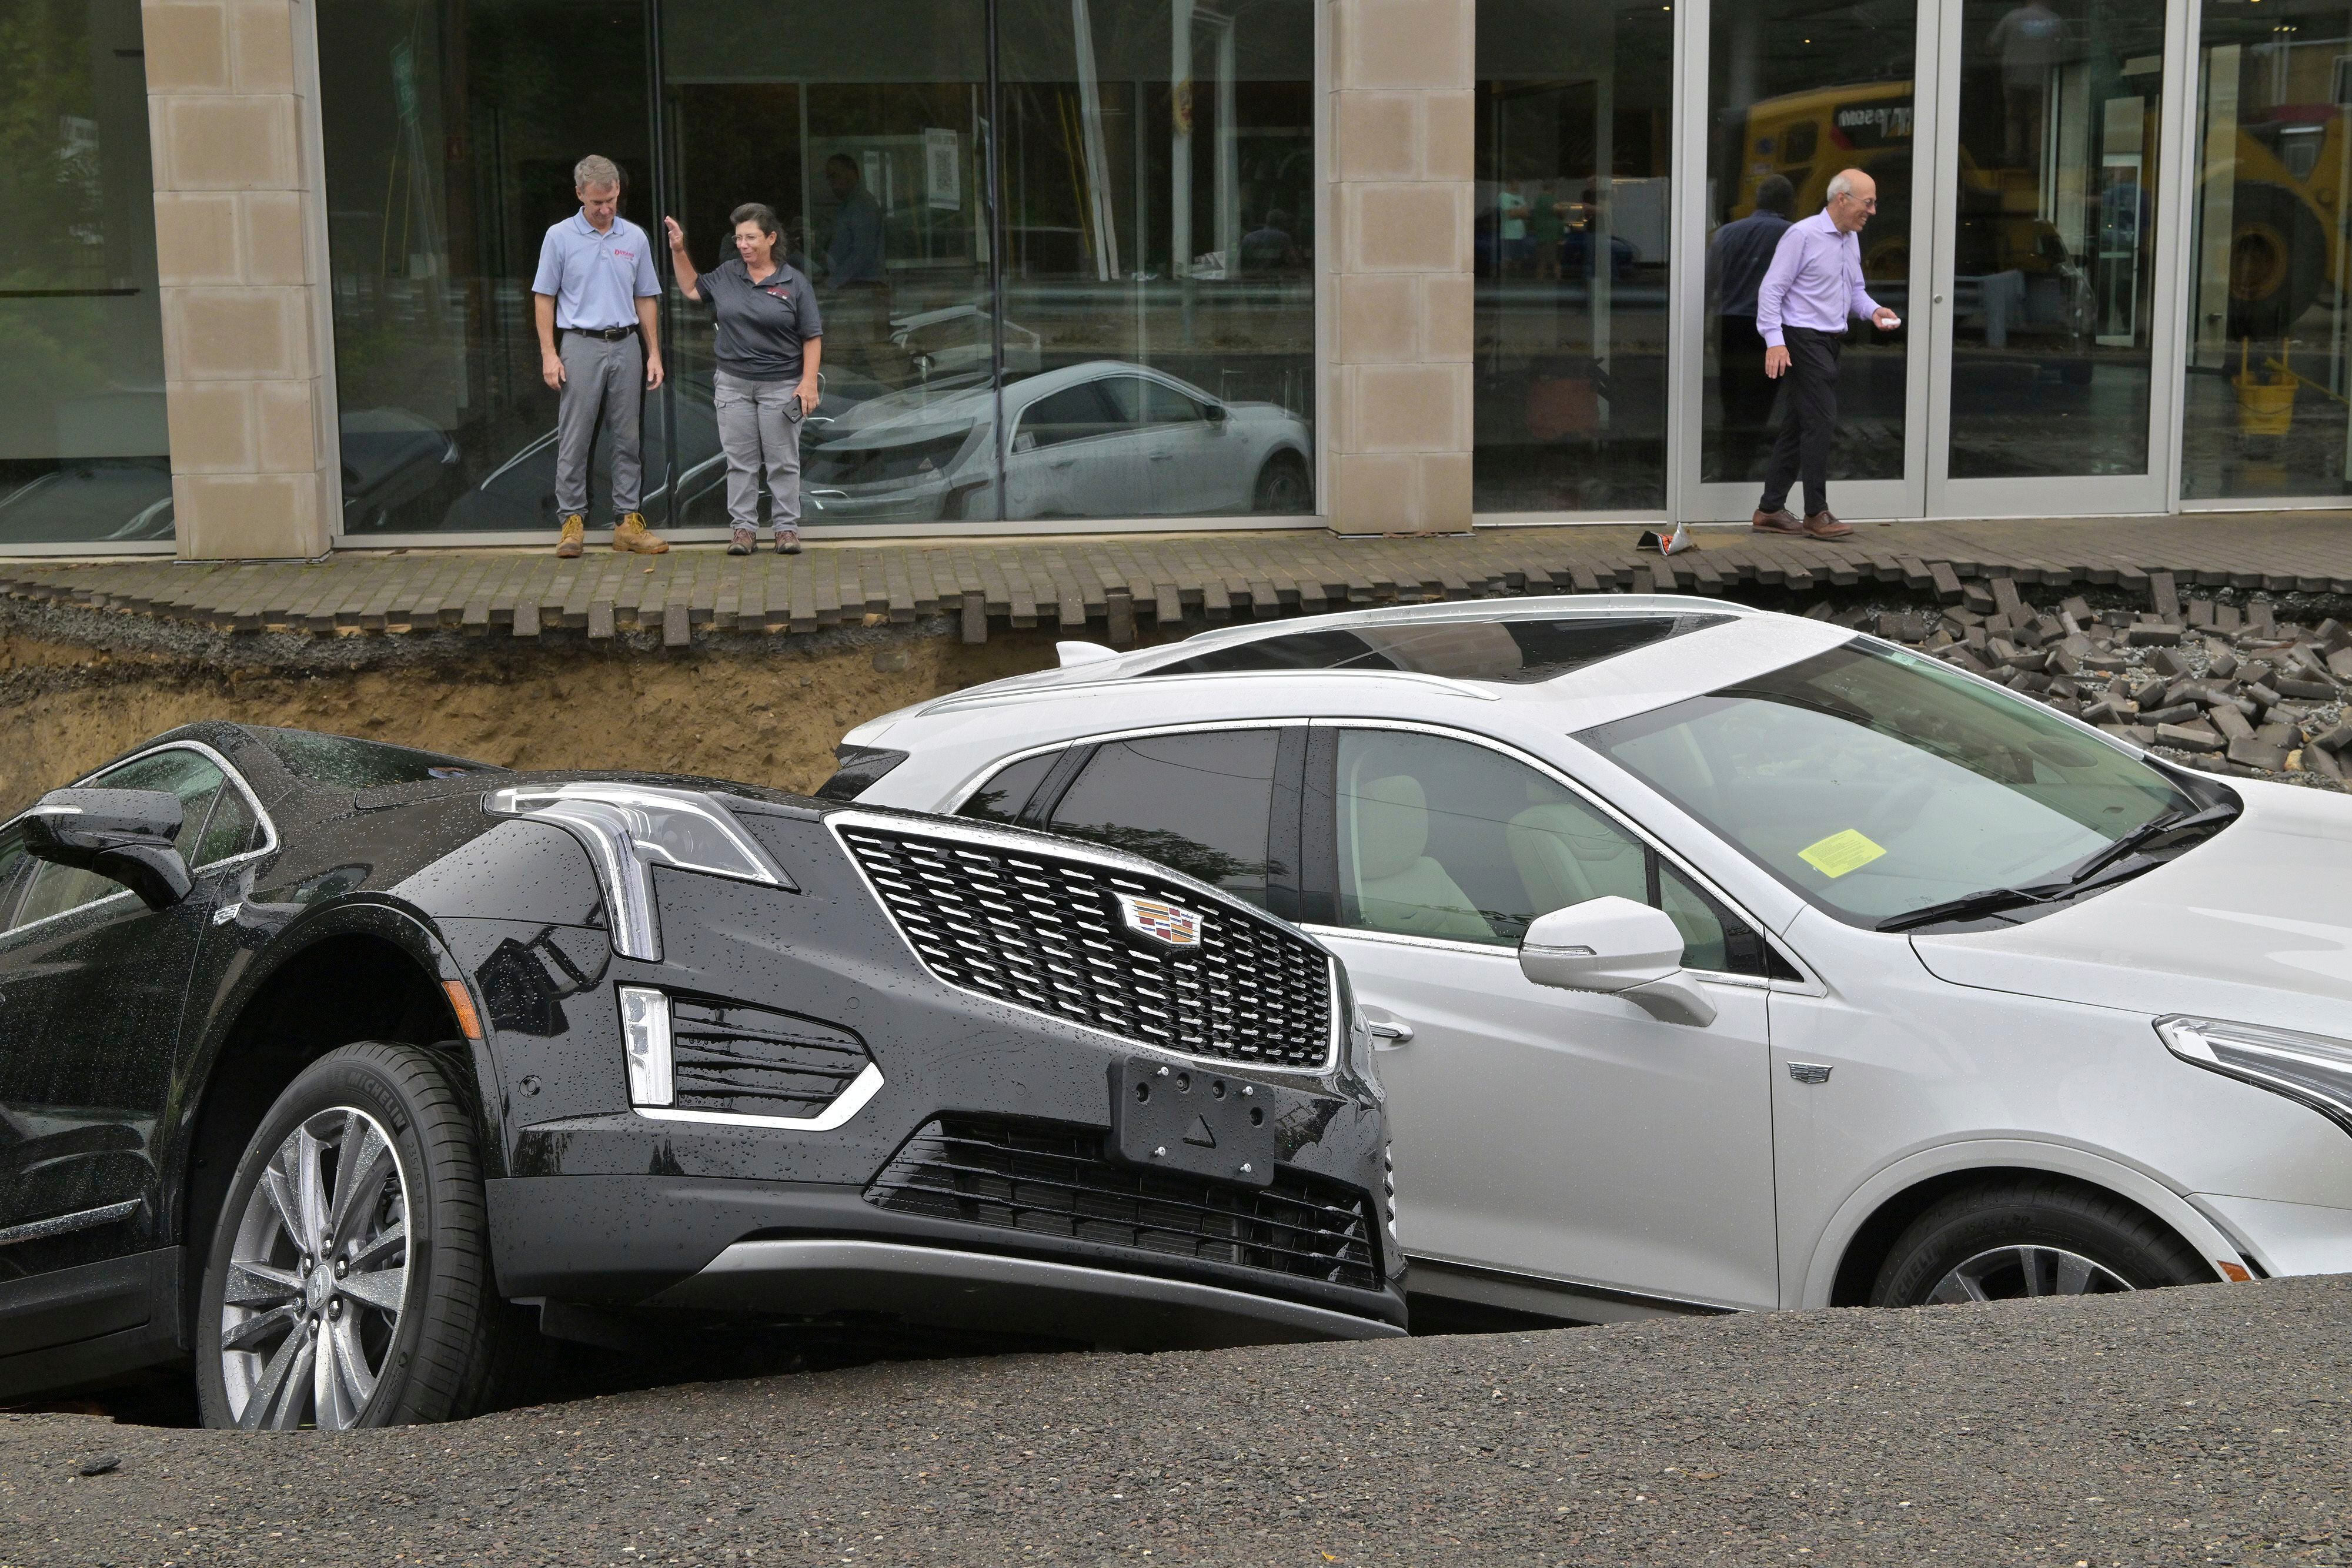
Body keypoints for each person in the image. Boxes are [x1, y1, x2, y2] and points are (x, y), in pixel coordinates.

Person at [664, 203, 824, 555]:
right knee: (741, 463)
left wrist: (808, 382)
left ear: (771, 238)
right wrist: (679, 249)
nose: (743, 245)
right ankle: (743, 531)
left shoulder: (793, 281)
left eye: (751, 237)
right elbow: (692, 289)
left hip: (781, 385)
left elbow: (812, 336)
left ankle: (786, 530)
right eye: (738, 238)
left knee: (783, 461)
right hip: (733, 384)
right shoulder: (727, 274)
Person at [532, 154, 668, 557]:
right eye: (597, 203)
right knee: (575, 434)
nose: (606, 210)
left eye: (611, 200)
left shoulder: (635, 237)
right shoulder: (559, 236)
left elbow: (646, 297)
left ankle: (627, 522)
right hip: (580, 342)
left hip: (626, 342)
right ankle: (572, 522)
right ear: (579, 195)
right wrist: (549, 354)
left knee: (628, 436)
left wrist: (654, 353)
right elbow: (544, 298)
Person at [1752, 168, 1899, 539]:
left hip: (1830, 341)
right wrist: (1774, 340)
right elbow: (1771, 290)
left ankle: (1770, 509)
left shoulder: (1850, 239)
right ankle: (1816, 513)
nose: (1873, 211)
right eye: (1868, 203)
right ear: (1841, 199)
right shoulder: (1802, 235)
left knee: (1799, 424)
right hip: (1802, 338)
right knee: (1821, 422)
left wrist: (1875, 311)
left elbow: (1856, 293)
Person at [1706, 174, 1796, 480]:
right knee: (1760, 401)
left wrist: (1709, 323)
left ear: (1757, 201)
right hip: (1769, 329)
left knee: (1731, 397)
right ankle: (1740, 469)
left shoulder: (1726, 234)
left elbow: (1709, 283)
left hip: (1728, 324)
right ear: (1788, 202)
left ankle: (1728, 467)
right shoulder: (1794, 235)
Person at [821, 155, 888, 377]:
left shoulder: (862, 205)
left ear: (852, 175)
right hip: (851, 290)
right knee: (839, 354)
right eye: (829, 177)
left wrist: (832, 283)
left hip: (862, 289)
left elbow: (863, 253)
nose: (831, 183)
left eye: (835, 176)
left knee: (876, 355)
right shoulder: (849, 205)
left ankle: (904, 400)